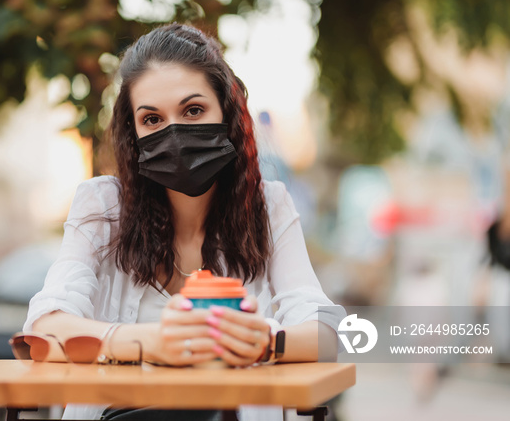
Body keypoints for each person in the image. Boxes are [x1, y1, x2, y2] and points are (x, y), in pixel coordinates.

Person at [23, 23, 345, 420]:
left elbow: (326, 335)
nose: (174, 133)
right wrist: (151, 343)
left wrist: (264, 342)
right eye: (152, 120)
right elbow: (43, 331)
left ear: (227, 112)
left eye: (193, 110)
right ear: (133, 132)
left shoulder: (269, 207)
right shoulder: (102, 206)